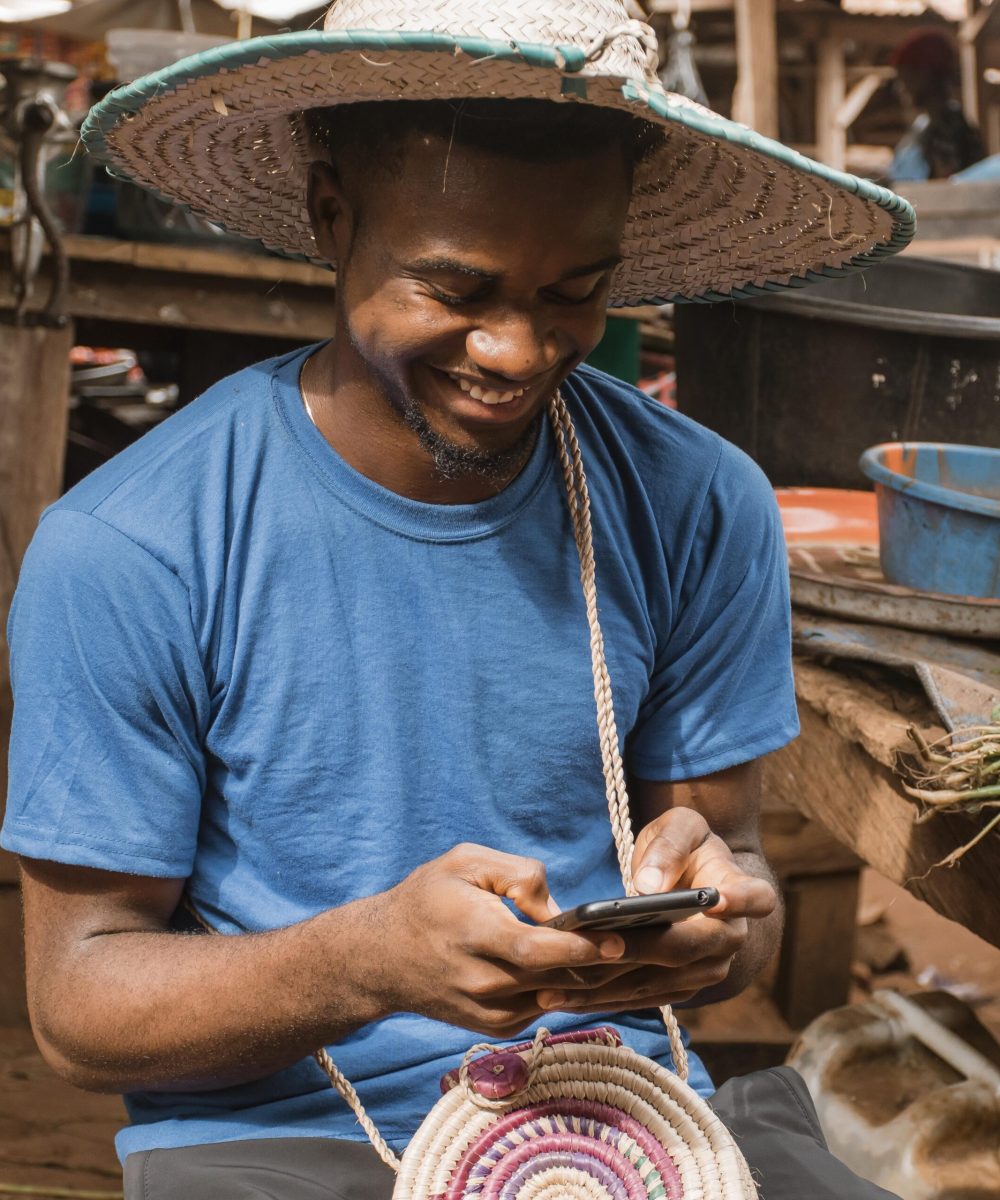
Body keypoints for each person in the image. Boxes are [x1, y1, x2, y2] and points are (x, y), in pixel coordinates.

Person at [2, 1, 912, 1197]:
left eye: (573, 291)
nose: (516, 352)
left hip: (622, 1112)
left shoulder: (695, 502)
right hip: (284, 1139)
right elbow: (77, 1008)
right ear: (333, 216)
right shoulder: (133, 547)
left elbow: (733, 875)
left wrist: (723, 929)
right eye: (454, 288)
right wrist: (364, 963)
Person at [888, 28, 984, 182]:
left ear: (926, 75)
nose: (901, 87)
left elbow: (942, 187)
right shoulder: (925, 125)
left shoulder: (949, 129)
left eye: (906, 76)